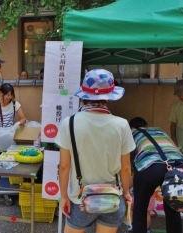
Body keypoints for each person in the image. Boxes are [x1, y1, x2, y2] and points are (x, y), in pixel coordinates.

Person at [56, 69, 135, 233]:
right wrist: (126, 193)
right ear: (109, 96)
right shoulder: (121, 125)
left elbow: (64, 166)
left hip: (79, 200)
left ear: (84, 94)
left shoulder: (69, 123)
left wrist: (64, 196)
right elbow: (126, 168)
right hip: (112, 198)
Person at [129, 116, 183, 233]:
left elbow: (130, 157)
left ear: (131, 127)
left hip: (150, 167)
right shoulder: (159, 130)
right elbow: (174, 147)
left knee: (140, 208)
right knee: (173, 206)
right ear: (147, 125)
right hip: (176, 165)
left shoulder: (131, 133)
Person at [0, 83, 27, 160]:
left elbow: (23, 118)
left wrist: (21, 122)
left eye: (11, 95)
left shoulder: (15, 104)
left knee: (11, 158)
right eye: (7, 95)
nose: (10, 97)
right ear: (1, 93)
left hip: (10, 136)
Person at [169, 79, 183, 147]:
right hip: (181, 138)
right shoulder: (176, 105)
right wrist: (173, 138)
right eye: (179, 95)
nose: (181, 97)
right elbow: (173, 124)